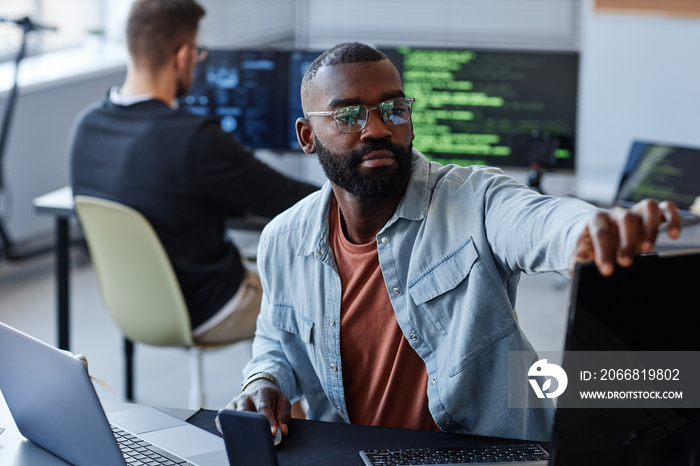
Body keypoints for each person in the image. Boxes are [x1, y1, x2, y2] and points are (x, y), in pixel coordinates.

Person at [223, 43, 681, 441]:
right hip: (354, 453)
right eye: (348, 115)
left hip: (486, 455)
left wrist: (592, 229)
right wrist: (264, 380)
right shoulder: (283, 240)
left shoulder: (475, 199)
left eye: (393, 109)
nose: (378, 129)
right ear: (308, 136)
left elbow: (539, 220)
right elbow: (276, 343)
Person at [69, 0, 318, 344]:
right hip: (212, 305)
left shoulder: (87, 125)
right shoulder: (194, 138)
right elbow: (291, 200)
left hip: (132, 306)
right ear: (183, 54)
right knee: (316, 299)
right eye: (198, 52)